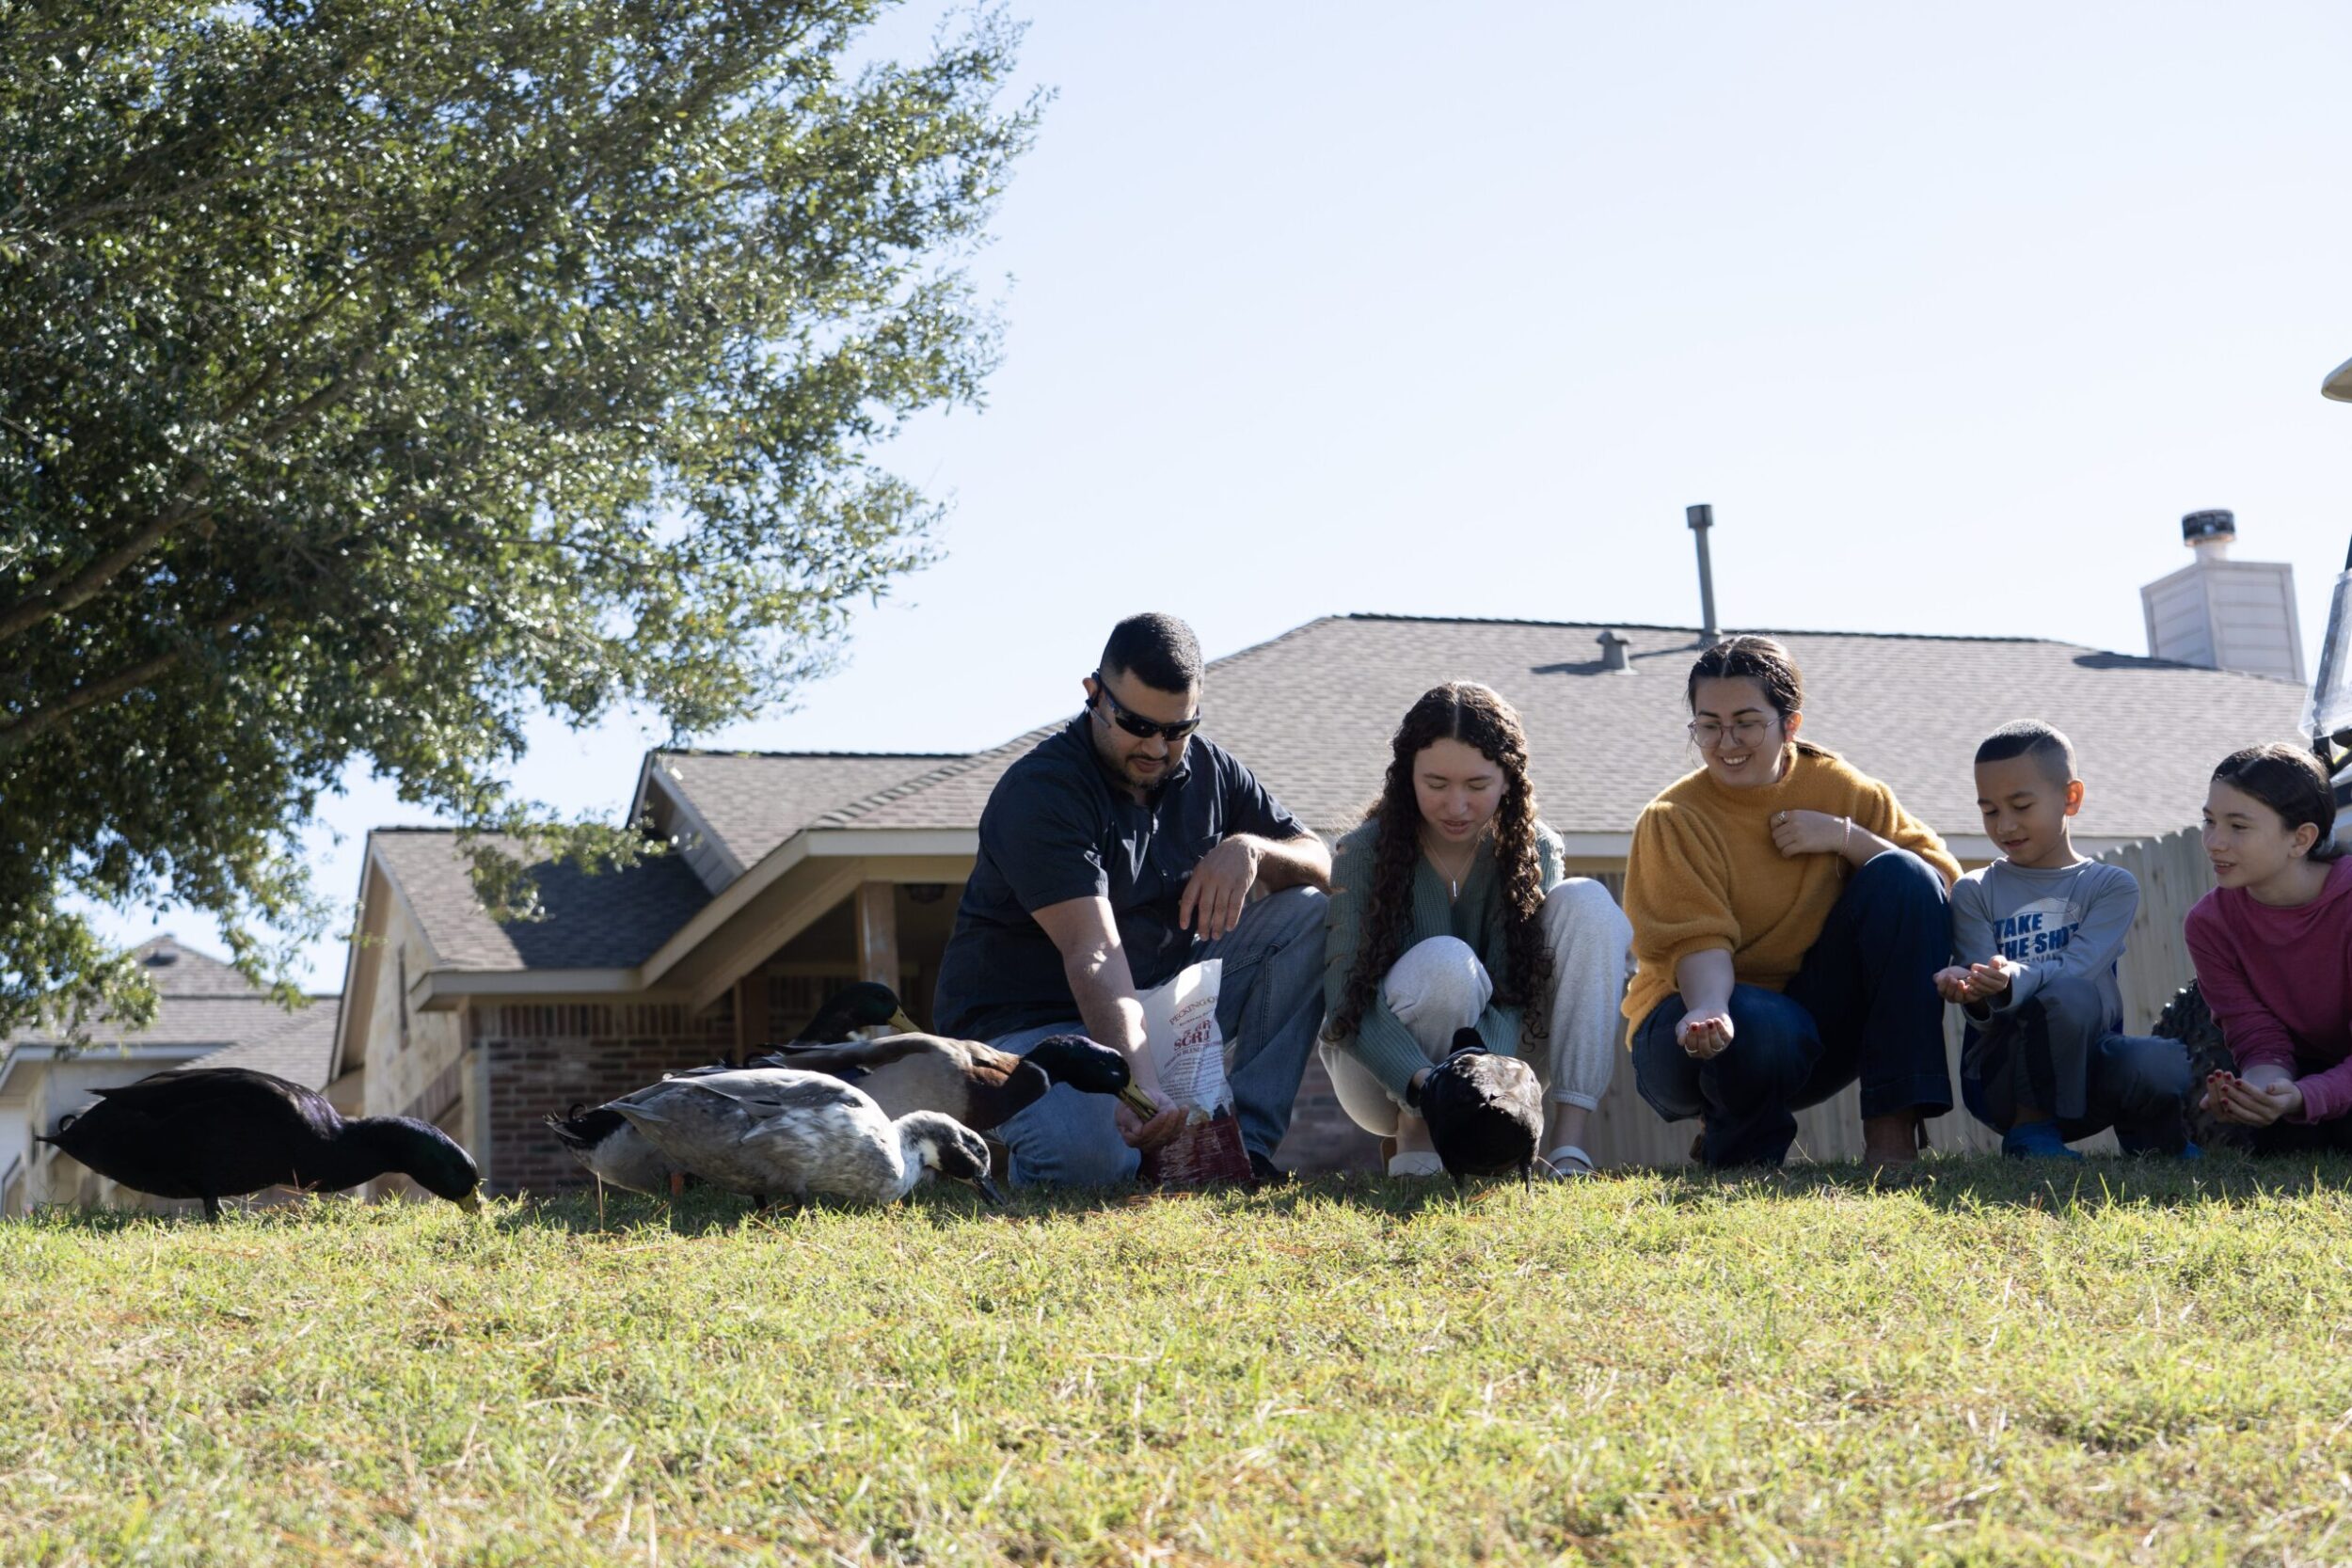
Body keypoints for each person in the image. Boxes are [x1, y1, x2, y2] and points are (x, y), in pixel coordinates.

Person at [931, 612, 1332, 1186]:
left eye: (1177, 729)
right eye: (1136, 724)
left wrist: (1252, 850)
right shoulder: (1041, 792)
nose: (1156, 747)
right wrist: (1136, 1086)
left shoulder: (1211, 770)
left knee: (1307, 914)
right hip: (1026, 1030)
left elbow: (1321, 862)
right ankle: (1057, 1145)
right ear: (1094, 694)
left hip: (1155, 1005)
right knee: (1090, 1162)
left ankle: (1244, 1152)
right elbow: (1093, 953)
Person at [1624, 635, 1961, 1167]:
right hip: (1689, 1025)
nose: (1727, 741)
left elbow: (1938, 886)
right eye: (1708, 725)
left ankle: (1892, 1136)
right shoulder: (1673, 818)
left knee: (1903, 873)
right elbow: (1697, 941)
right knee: (1758, 1021)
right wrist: (1710, 1009)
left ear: (1791, 724)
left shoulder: (1843, 789)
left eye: (1746, 722)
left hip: (1810, 1028)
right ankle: (1739, 1159)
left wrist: (1847, 837)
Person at [1320, 683, 1634, 1178]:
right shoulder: (1362, 852)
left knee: (1590, 902)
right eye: (1436, 783)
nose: (1456, 805)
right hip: (1379, 1071)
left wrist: (1479, 1079)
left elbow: (1517, 988)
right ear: (1407, 777)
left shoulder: (1534, 849)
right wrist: (1433, 1086)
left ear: (1508, 780)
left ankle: (1568, 1149)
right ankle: (1417, 1137)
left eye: (1477, 784)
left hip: (1505, 1067)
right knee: (1448, 963)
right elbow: (1345, 1001)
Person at [1940, 721, 2195, 1159]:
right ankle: (2029, 1132)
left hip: (2090, 1070)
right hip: (2003, 1079)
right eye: (1990, 811)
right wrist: (1971, 989)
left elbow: (2078, 967)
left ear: (2071, 798)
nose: (2005, 825)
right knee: (2067, 995)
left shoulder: (2110, 886)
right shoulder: (1974, 890)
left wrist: (2013, 976)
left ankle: (2156, 1145)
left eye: (2021, 805)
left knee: (2158, 1059)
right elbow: (1986, 998)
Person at [2185, 743, 2352, 1151]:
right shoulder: (2209, 924)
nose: (2214, 842)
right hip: (2310, 1071)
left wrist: (2306, 1096)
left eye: (2238, 827)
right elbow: (2256, 1036)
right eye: (2209, 821)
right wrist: (2261, 1092)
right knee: (2282, 1138)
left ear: (2301, 839)